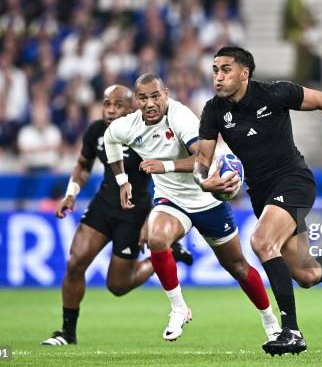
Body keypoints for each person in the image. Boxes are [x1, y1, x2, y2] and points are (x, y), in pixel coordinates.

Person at [194, 46, 322, 356]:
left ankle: (291, 331)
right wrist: (204, 181)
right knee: (306, 274)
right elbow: (201, 161)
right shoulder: (214, 110)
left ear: (244, 73)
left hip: (294, 181)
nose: (217, 76)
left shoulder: (274, 93)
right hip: (262, 194)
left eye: (225, 70)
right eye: (215, 69)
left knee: (261, 241)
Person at [103, 74, 280, 342]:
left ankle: (271, 322)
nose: (150, 103)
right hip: (171, 199)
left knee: (237, 266)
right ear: (136, 101)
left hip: (207, 198)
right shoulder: (128, 126)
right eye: (143, 98)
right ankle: (178, 308)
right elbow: (109, 139)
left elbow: (202, 158)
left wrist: (166, 165)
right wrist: (122, 181)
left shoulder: (180, 116)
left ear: (165, 93)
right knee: (157, 238)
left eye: (155, 96)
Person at [42, 85, 193, 346]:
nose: (110, 110)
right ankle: (67, 332)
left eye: (118, 105)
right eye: (106, 104)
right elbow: (83, 164)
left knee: (117, 286)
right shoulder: (96, 131)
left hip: (135, 212)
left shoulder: (146, 133)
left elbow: (163, 177)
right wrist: (71, 193)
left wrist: (153, 218)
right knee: (75, 262)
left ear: (131, 107)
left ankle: (168, 256)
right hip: (104, 204)